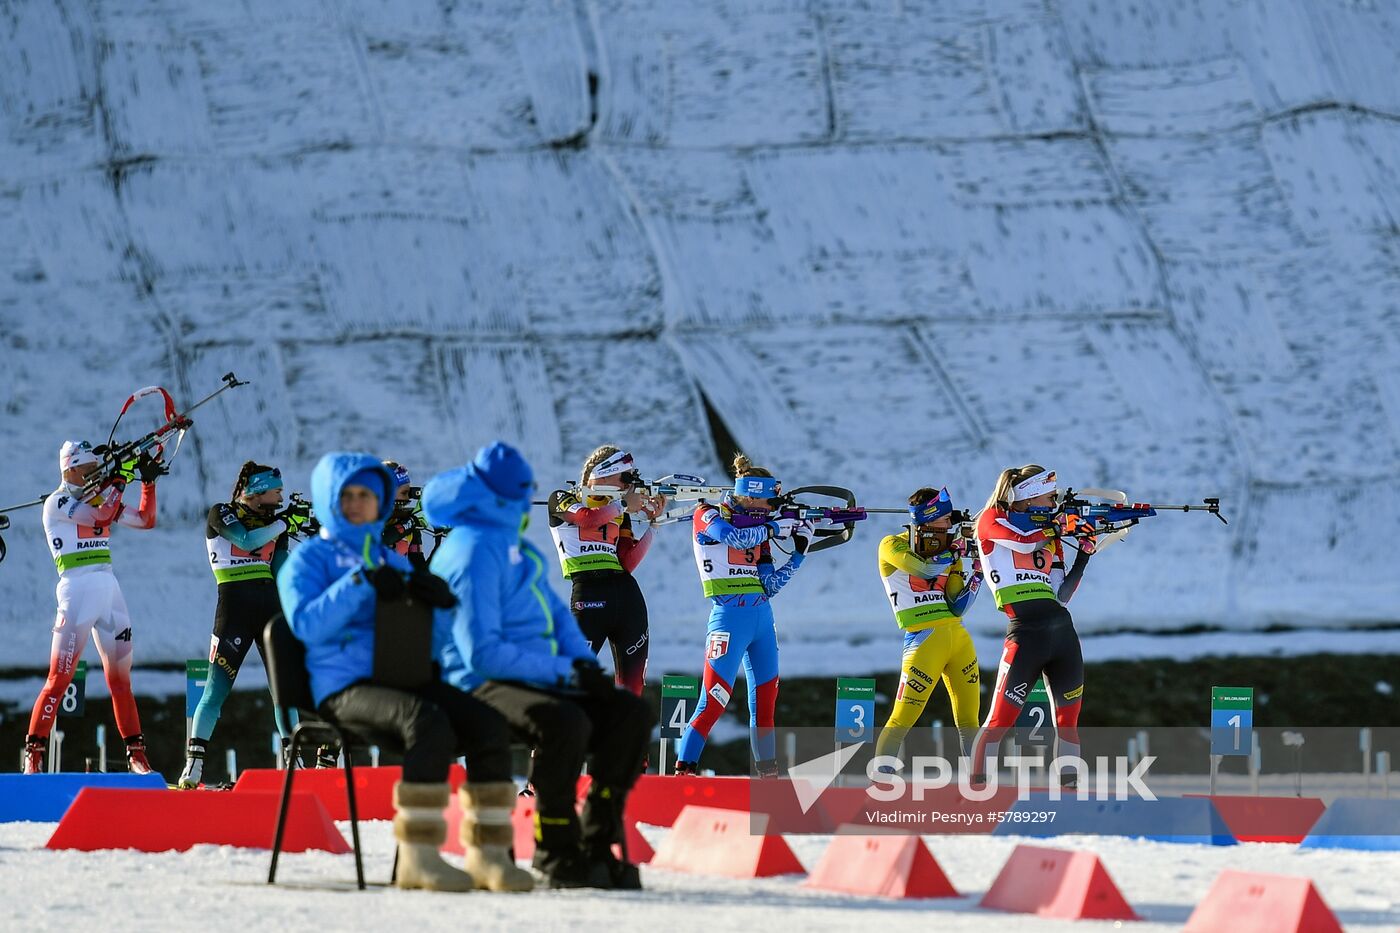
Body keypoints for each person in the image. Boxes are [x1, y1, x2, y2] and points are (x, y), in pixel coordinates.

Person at [277, 451, 529, 893]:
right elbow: (305, 624)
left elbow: (426, 644)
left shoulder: (394, 562)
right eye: (347, 495)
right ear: (328, 500)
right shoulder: (309, 560)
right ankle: (419, 855)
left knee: (488, 722)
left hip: (403, 681)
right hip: (343, 690)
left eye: (367, 495)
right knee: (425, 721)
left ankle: (489, 855)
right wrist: (357, 583)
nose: (357, 503)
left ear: (382, 502)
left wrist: (443, 607)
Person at [423, 442, 654, 890]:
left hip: (523, 673)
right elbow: (480, 654)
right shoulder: (471, 552)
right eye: (513, 493)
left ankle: (596, 838)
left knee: (629, 713)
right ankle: (555, 847)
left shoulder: (513, 551)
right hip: (474, 682)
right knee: (561, 720)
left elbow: (551, 611)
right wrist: (560, 673)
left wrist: (581, 666)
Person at [23, 441, 164, 775]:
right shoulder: (57, 502)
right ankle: (34, 753)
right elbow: (101, 515)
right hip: (76, 592)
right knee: (59, 678)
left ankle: (136, 754)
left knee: (121, 680)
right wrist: (120, 479)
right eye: (89, 471)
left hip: (109, 588)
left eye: (97, 471)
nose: (95, 477)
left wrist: (147, 482)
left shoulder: (99, 497)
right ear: (71, 468)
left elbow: (146, 520)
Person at [673, 454, 809, 778]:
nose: (769, 510)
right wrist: (776, 527)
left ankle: (768, 777)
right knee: (713, 701)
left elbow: (770, 585)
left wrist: (799, 553)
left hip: (762, 618)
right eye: (765, 503)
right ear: (748, 494)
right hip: (728, 620)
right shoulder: (706, 514)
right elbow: (734, 537)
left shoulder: (761, 529)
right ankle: (683, 772)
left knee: (765, 707)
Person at [179, 462, 314, 789]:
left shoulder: (274, 523)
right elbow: (247, 540)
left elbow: (282, 570)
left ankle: (293, 763)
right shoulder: (221, 512)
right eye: (276, 490)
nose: (281, 495)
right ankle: (193, 765)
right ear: (256, 489)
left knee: (284, 691)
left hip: (271, 611)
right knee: (215, 690)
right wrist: (284, 523)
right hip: (234, 610)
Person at [967, 465, 1094, 783]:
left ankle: (1069, 794)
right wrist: (1059, 527)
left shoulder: (1051, 533)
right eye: (1050, 498)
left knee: (1068, 721)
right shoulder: (991, 518)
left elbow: (1061, 594)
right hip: (1025, 632)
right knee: (1000, 720)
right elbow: (1022, 542)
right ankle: (977, 791)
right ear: (1028, 496)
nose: (1054, 505)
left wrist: (1085, 553)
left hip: (1062, 632)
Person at [874, 487, 983, 768]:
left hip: (958, 637)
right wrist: (953, 552)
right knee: (902, 718)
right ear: (928, 520)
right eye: (945, 520)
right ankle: (880, 783)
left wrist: (978, 573)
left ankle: (980, 785)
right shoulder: (891, 544)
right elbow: (923, 569)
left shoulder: (950, 549)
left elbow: (958, 605)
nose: (950, 526)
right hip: (923, 640)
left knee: (971, 721)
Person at [546, 446, 666, 695]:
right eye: (626, 478)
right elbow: (587, 519)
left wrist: (654, 525)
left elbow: (628, 563)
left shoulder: (620, 511)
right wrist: (623, 504)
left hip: (627, 596)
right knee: (570, 682)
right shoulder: (562, 498)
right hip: (589, 595)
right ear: (604, 474)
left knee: (632, 691)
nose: (629, 485)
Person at [382, 460, 431, 570]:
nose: (408, 499)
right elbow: (383, 540)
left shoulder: (406, 521)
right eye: (404, 493)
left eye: (408, 493)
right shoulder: (368, 518)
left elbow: (419, 567)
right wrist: (412, 522)